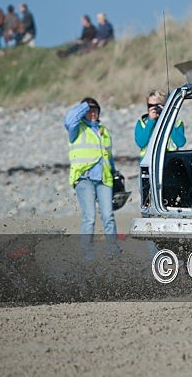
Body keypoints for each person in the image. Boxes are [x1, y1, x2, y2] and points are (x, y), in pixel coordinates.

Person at [64, 97, 120, 260]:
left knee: (108, 216)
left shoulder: (104, 130)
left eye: (96, 109)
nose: (93, 112)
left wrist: (115, 174)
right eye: (90, 110)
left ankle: (113, 253)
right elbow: (69, 119)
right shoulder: (76, 128)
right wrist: (84, 106)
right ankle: (88, 255)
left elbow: (108, 156)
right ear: (83, 112)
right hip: (84, 179)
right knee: (89, 217)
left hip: (104, 178)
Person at [134, 89, 186, 160]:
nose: (154, 109)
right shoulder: (142, 123)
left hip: (170, 161)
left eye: (157, 106)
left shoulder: (176, 123)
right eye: (150, 106)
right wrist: (150, 122)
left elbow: (180, 143)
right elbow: (141, 143)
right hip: (148, 161)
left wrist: (168, 120)